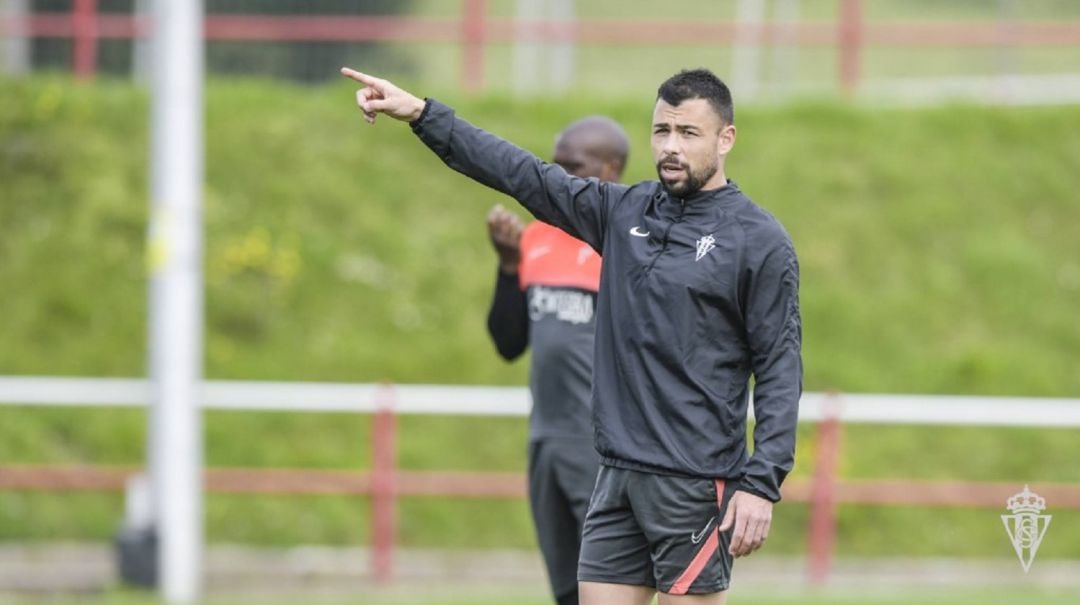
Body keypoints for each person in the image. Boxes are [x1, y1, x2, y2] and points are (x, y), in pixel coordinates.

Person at [341, 66, 802, 605]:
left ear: (726, 139)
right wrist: (422, 114)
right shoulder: (622, 212)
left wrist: (760, 483)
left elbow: (779, 369)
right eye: (661, 132)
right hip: (615, 478)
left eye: (688, 133)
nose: (671, 147)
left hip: (693, 485)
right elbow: (520, 174)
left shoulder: (759, 241)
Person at [485, 116, 629, 605]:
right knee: (565, 589)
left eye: (575, 167)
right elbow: (508, 344)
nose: (559, 178)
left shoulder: (627, 244)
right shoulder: (538, 238)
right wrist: (508, 268)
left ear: (611, 171)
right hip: (545, 438)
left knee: (608, 585)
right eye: (556, 165)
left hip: (600, 445)